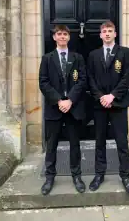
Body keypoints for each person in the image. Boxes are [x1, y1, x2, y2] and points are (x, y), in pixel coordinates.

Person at [87, 20, 129, 194]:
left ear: (115, 34)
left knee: (121, 141)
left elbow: (127, 78)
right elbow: (90, 79)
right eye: (104, 31)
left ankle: (125, 175)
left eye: (110, 30)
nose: (107, 33)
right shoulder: (93, 55)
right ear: (100, 35)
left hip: (118, 104)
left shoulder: (125, 52)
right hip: (100, 105)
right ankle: (99, 174)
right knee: (99, 141)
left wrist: (112, 96)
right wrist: (101, 97)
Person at [39, 25, 87, 195]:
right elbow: (43, 82)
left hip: (73, 108)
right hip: (55, 108)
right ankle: (50, 177)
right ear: (54, 37)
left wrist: (70, 100)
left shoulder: (78, 58)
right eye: (59, 34)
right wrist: (59, 100)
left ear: (69, 37)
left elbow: (82, 80)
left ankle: (77, 176)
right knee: (51, 145)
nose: (62, 37)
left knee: (75, 144)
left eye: (65, 34)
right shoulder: (46, 58)